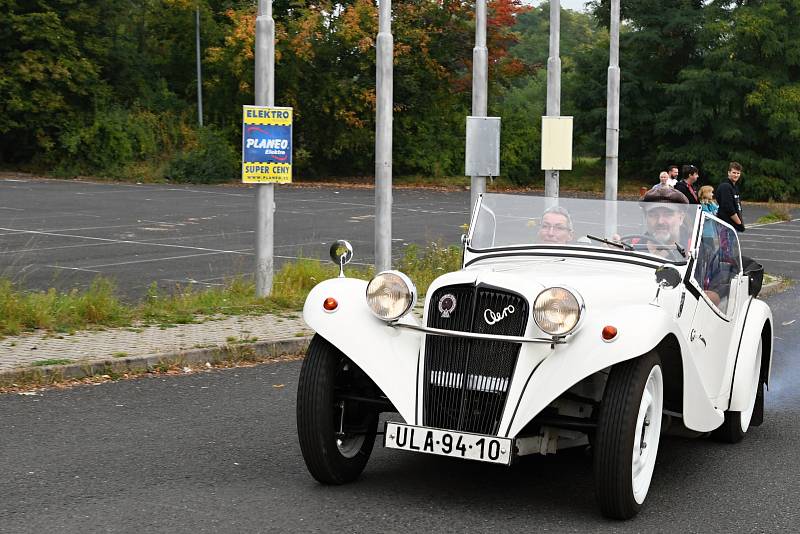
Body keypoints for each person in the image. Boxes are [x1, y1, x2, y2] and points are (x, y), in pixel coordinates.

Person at [634, 187, 690, 259]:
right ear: (645, 217)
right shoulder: (631, 245)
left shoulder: (694, 250)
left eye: (668, 214)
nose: (660, 221)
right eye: (653, 215)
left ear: (681, 218)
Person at [715, 161, 745, 232]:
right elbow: (729, 208)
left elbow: (737, 206)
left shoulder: (734, 187)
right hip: (726, 225)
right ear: (729, 173)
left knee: (732, 243)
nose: (736, 175)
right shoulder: (725, 186)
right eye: (734, 172)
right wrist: (739, 223)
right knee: (727, 243)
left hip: (733, 225)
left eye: (738, 173)